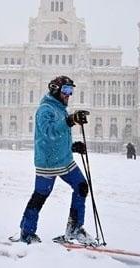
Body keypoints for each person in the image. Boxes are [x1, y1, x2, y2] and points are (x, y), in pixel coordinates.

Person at [18, 75, 94, 245]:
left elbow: (60, 135)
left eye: (71, 90)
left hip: (64, 159)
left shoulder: (60, 108)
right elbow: (49, 133)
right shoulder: (44, 110)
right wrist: (70, 120)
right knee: (40, 195)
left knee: (82, 186)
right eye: (66, 90)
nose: (69, 94)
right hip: (48, 162)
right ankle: (26, 232)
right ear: (55, 90)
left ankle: (74, 229)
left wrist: (73, 147)